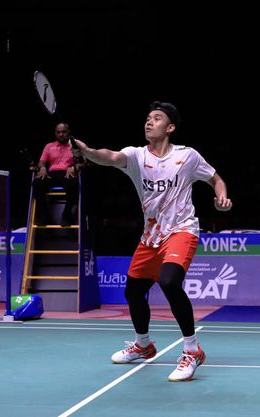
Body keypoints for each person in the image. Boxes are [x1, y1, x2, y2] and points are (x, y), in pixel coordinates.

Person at [72, 101, 232, 382]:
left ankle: (192, 350)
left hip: (182, 231)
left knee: (169, 281)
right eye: (147, 118)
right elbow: (108, 157)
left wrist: (221, 196)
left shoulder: (188, 156)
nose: (149, 122)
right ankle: (144, 346)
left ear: (169, 127)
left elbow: (215, 178)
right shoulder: (135, 156)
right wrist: (86, 152)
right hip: (151, 237)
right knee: (133, 292)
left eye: (156, 118)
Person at [33, 122, 82, 226]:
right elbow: (41, 162)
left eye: (63, 132)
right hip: (52, 174)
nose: (61, 134)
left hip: (67, 173)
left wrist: (74, 167)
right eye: (58, 132)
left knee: (73, 183)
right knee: (37, 183)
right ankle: (44, 215)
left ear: (68, 132)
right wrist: (42, 168)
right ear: (55, 133)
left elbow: (84, 163)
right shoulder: (49, 146)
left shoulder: (75, 145)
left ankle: (66, 215)